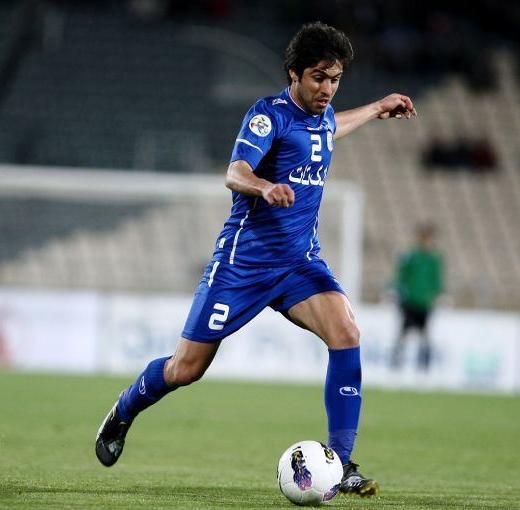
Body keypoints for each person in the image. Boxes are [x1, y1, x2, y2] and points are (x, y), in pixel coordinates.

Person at [95, 21, 417, 496]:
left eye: (334, 79)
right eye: (318, 78)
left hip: (299, 265)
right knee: (186, 369)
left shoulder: (323, 116)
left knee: (347, 332)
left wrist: (375, 108)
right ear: (294, 74)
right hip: (242, 266)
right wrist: (265, 186)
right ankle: (123, 411)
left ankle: (341, 463)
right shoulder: (269, 116)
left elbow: (332, 129)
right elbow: (235, 171)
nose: (327, 89)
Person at [390, 223, 443, 370]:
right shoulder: (411, 256)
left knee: (424, 335)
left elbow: (437, 280)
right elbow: (401, 276)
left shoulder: (434, 259)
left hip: (424, 303)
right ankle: (396, 362)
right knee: (403, 333)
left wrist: (436, 296)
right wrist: (399, 292)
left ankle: (424, 366)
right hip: (409, 301)